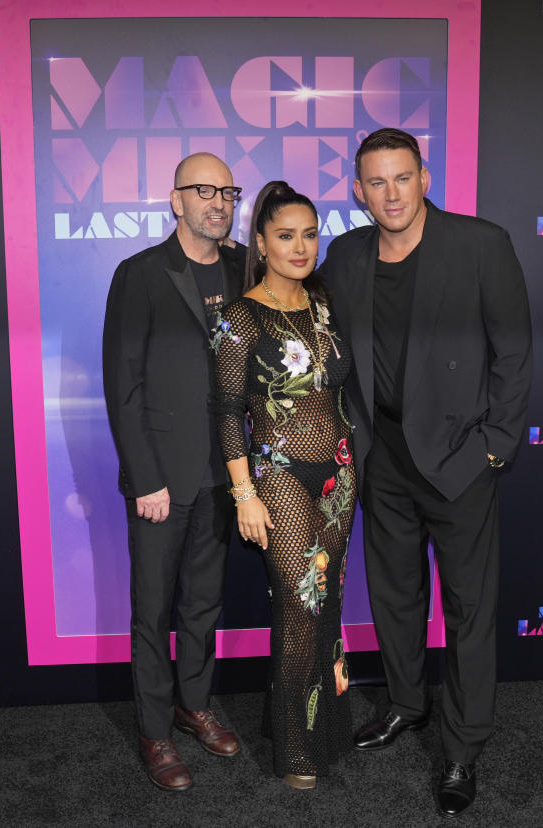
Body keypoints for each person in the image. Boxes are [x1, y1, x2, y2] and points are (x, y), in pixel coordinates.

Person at [320, 129, 533, 818]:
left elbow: (514, 353)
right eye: (375, 182)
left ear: (424, 177)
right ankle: (408, 705)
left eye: (402, 179)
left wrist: (493, 448)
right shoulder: (346, 254)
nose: (390, 194)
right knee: (395, 595)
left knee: (468, 611)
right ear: (358, 190)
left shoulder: (480, 245)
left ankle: (463, 745)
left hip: (459, 460)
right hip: (382, 456)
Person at [102, 152, 245, 792]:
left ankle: (194, 704)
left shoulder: (248, 266)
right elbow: (123, 384)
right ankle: (155, 731)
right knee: (153, 608)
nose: (218, 201)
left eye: (228, 191)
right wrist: (145, 476)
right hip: (162, 476)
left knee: (205, 603)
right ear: (175, 199)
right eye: (204, 190)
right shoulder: (140, 274)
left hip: (228, 474)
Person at [213, 181, 356, 790]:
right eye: (285, 236)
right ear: (263, 243)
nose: (300, 247)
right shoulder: (238, 315)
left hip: (341, 474)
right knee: (299, 607)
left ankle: (319, 726)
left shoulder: (323, 303)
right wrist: (244, 494)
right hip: (279, 477)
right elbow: (224, 412)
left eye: (309, 234)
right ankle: (297, 751)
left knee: (328, 609)